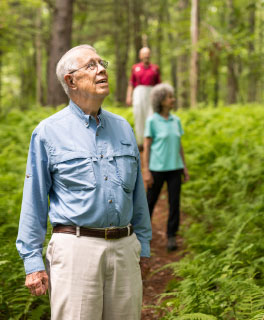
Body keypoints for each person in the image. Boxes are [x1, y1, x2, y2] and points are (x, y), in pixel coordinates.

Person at [16, 44, 152, 320]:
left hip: (125, 248)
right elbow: (35, 199)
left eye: (102, 63)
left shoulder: (123, 128)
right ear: (71, 81)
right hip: (75, 249)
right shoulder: (47, 133)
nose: (101, 69)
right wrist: (33, 262)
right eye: (91, 65)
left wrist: (143, 245)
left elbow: (137, 195)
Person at [143, 83, 189, 252]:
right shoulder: (152, 121)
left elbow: (179, 145)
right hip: (157, 169)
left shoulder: (176, 120)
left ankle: (171, 235)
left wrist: (184, 167)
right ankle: (142, 235)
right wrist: (146, 170)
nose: (173, 100)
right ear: (161, 100)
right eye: (169, 97)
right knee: (150, 202)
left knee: (174, 203)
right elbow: (147, 147)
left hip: (175, 168)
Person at [126, 47, 161, 151]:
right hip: (139, 92)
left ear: (150, 55)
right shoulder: (135, 68)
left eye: (148, 54)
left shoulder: (155, 68)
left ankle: (151, 140)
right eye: (144, 54)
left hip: (152, 92)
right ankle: (140, 142)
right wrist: (129, 96)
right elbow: (131, 83)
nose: (146, 56)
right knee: (139, 116)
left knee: (151, 115)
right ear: (140, 56)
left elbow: (159, 84)